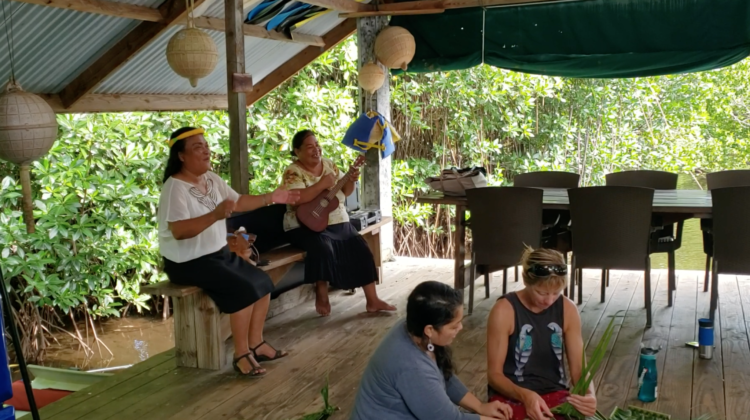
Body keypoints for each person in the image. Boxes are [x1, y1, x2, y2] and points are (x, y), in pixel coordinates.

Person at [158, 127, 300, 377]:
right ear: (181, 156)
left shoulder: (211, 178)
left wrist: (272, 197)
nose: (206, 150)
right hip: (188, 262)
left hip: (217, 254)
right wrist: (214, 214)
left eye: (205, 145)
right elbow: (179, 231)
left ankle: (257, 344)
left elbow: (239, 202)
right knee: (243, 290)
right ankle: (241, 354)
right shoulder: (175, 188)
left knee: (263, 282)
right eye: (197, 147)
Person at [351, 281, 512, 420]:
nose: (461, 328)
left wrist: (480, 407)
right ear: (429, 330)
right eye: (454, 326)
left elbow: (444, 375)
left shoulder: (414, 329)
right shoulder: (412, 366)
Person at [280, 129, 395, 316]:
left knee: (361, 247)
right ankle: (321, 290)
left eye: (317, 145)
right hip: (304, 225)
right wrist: (321, 185)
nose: (316, 149)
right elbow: (297, 199)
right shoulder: (293, 172)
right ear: (297, 151)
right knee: (323, 247)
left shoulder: (330, 166)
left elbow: (345, 191)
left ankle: (372, 300)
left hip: (337, 220)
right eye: (309, 147)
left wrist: (351, 180)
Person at [486, 247, 597, 420]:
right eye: (542, 292)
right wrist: (526, 396)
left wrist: (589, 394)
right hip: (511, 394)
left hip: (555, 393)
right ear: (526, 280)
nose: (549, 300)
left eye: (556, 293)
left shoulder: (567, 309)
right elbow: (494, 375)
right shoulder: (504, 310)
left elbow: (579, 370)